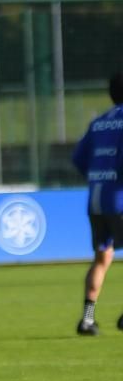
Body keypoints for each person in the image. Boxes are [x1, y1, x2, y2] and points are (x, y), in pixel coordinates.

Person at [72, 71, 123, 336]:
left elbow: (79, 158)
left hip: (96, 198)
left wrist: (98, 176)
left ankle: (87, 319)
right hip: (120, 198)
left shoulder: (100, 122)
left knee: (102, 258)